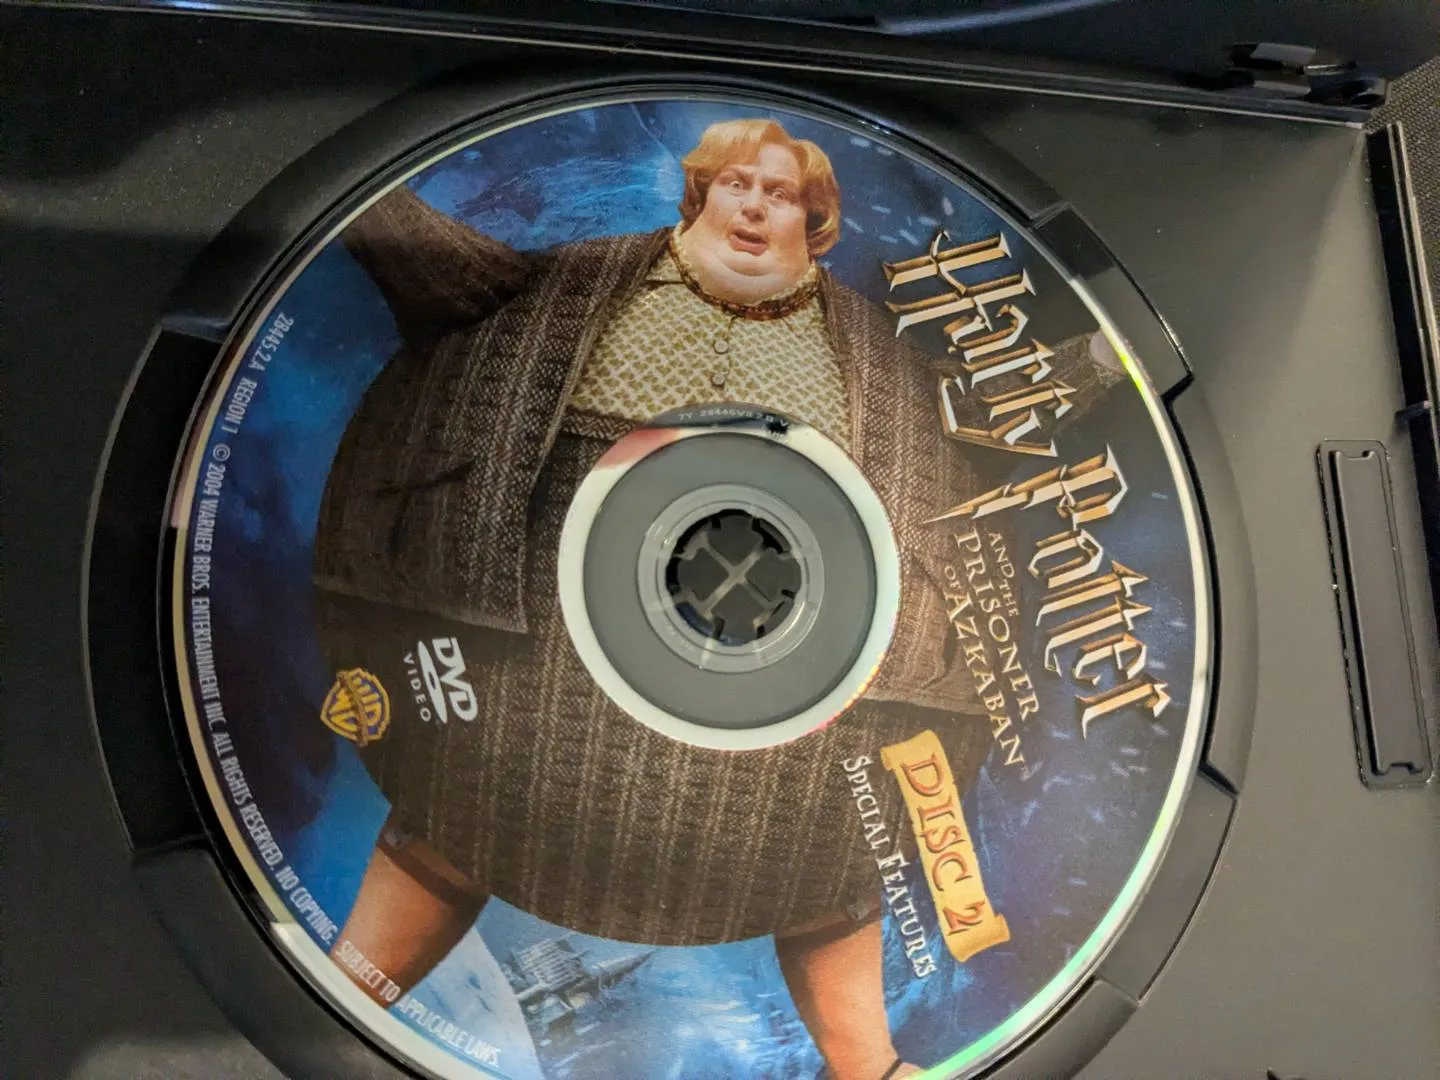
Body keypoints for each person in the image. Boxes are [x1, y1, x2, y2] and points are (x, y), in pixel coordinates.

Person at [311, 117, 1118, 1080]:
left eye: (781, 194)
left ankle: (868, 1066)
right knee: (456, 812)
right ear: (699, 194)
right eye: (737, 183)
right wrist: (343, 180)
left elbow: (985, 406)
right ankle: (337, 1000)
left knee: (832, 855)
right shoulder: (582, 281)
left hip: (796, 660)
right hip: (533, 602)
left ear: (814, 221)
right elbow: (438, 270)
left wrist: (1113, 359)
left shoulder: (871, 348)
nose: (755, 205)